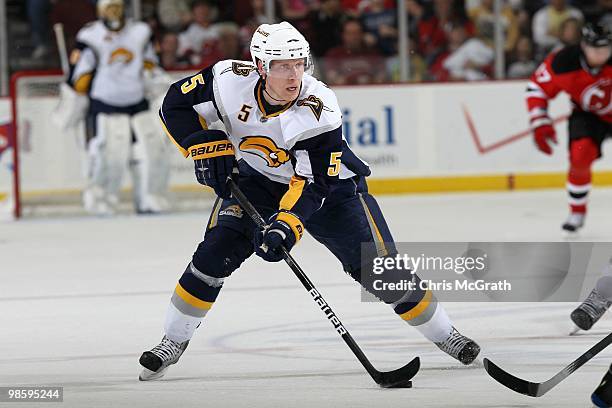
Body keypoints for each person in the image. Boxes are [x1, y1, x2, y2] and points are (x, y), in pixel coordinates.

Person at [138, 21, 480, 381]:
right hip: (256, 183)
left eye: (299, 64)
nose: (293, 75)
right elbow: (174, 103)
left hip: (333, 191)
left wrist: (286, 225)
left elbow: (314, 183)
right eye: (283, 66)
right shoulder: (226, 78)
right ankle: (173, 341)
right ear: (260, 66)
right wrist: (203, 144)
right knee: (212, 257)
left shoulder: (319, 108)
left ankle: (447, 336)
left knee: (380, 270)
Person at [61, 0, 172, 215]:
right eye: (108, 7)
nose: (113, 12)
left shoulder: (140, 31)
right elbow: (79, 71)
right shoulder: (90, 35)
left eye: (116, 6)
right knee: (106, 155)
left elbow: (152, 63)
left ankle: (150, 197)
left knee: (150, 153)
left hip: (138, 103)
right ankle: (101, 199)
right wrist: (78, 82)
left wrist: (152, 77)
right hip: (104, 104)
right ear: (100, 11)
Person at [525, 22, 612, 233]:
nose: (602, 55)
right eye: (596, 50)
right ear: (583, 46)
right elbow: (536, 88)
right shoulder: (563, 62)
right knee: (579, 156)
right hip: (588, 115)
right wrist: (540, 121)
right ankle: (577, 210)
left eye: (606, 49)